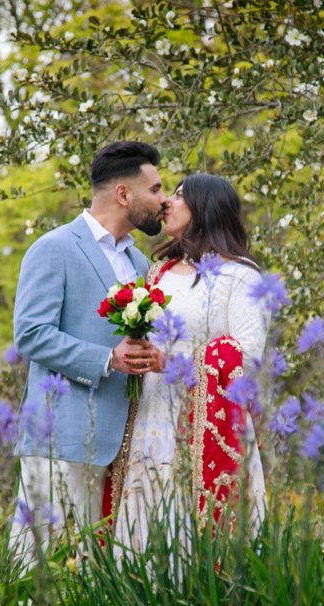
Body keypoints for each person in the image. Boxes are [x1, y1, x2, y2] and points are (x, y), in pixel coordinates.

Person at [8, 141, 167, 569]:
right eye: (154, 189)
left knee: (92, 580)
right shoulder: (54, 248)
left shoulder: (138, 262)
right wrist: (106, 360)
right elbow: (31, 334)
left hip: (121, 448)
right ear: (123, 194)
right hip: (61, 436)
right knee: (39, 571)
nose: (163, 199)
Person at [106, 172, 269, 559]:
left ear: (205, 207)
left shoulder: (240, 275)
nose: (167, 203)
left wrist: (173, 362)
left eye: (179, 196)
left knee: (191, 535)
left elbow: (248, 355)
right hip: (148, 416)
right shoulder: (157, 273)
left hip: (203, 421)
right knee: (141, 518)